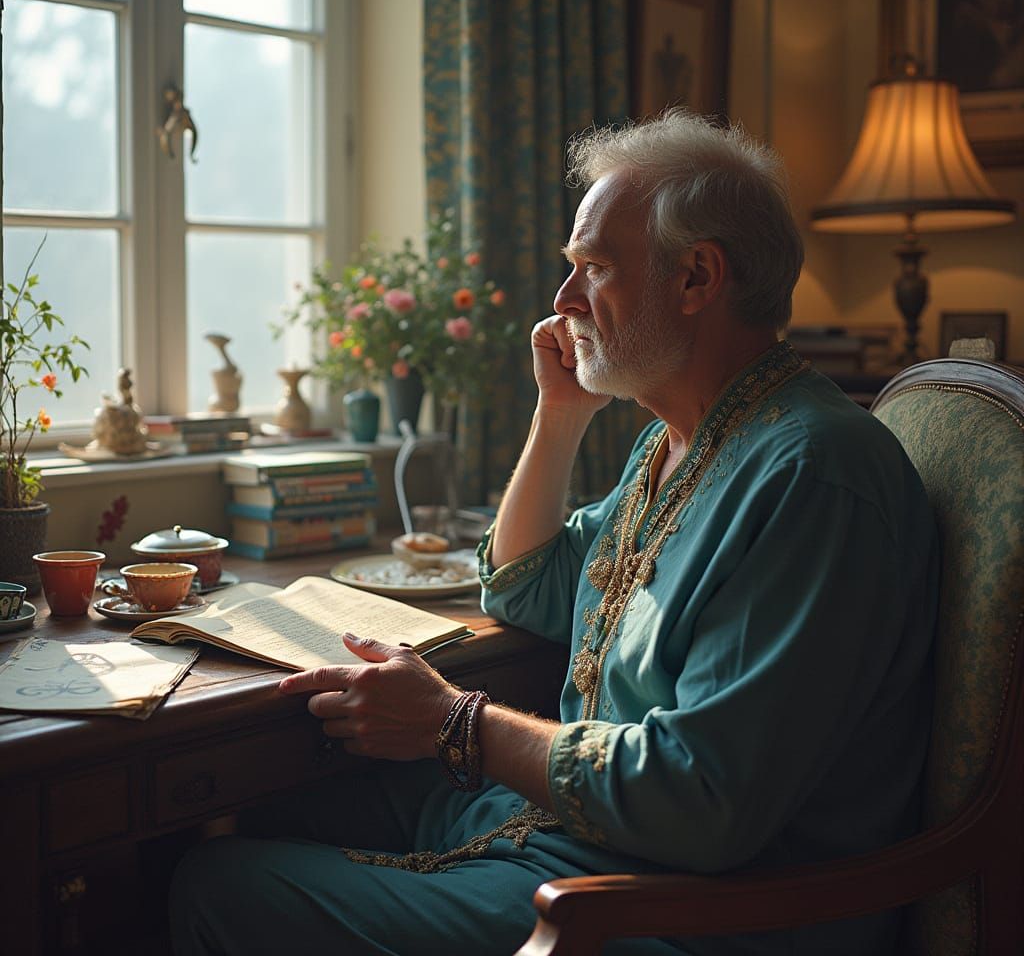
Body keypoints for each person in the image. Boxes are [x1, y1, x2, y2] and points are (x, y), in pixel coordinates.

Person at [170, 110, 939, 956]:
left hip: (692, 906)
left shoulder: (809, 477)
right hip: (583, 831)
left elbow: (703, 803)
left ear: (697, 279)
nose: (565, 302)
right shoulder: (682, 440)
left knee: (221, 886)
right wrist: (560, 412)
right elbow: (528, 584)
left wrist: (456, 721)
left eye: (593, 269)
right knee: (258, 804)